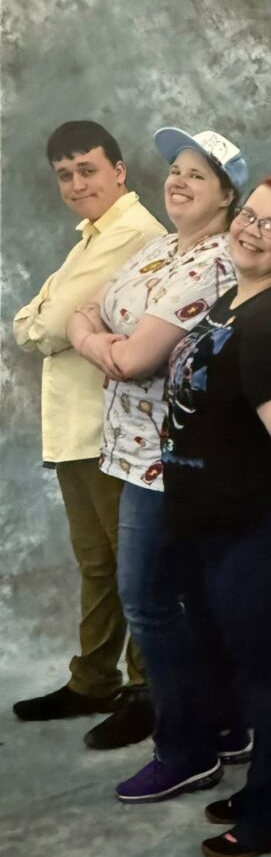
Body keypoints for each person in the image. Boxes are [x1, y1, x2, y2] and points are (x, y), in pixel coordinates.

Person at [67, 127, 247, 800]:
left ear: (226, 196)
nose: (178, 181)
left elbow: (134, 356)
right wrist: (102, 336)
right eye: (175, 169)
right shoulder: (160, 249)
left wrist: (95, 336)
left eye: (198, 175)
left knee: (148, 601)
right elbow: (90, 312)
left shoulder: (218, 261)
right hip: (132, 453)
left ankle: (185, 750)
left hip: (169, 461)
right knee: (190, 599)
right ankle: (224, 725)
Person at [156, 176, 271, 857]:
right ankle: (267, 787)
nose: (252, 229)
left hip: (261, 528)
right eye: (249, 215)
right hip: (213, 524)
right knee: (246, 670)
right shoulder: (237, 296)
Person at [12, 120, 165, 749]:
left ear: (119, 171)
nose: (76, 184)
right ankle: (94, 679)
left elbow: (45, 326)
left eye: (88, 170)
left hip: (116, 431)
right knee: (98, 564)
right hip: (78, 429)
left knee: (135, 569)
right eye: (65, 175)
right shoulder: (91, 237)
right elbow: (37, 320)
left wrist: (44, 324)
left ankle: (150, 689)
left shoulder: (135, 234)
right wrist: (44, 323)